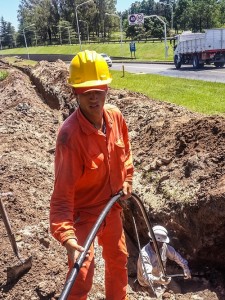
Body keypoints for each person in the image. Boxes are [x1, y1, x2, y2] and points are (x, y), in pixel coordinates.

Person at [50, 50, 134, 300]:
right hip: (83, 214)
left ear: (107, 86)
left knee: (119, 261)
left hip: (112, 207)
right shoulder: (69, 137)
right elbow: (62, 196)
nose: (93, 97)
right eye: (86, 91)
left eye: (98, 89)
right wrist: (66, 235)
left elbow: (126, 152)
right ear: (75, 92)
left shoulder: (115, 117)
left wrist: (127, 179)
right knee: (81, 275)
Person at [137, 225, 191, 297]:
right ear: (155, 241)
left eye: (163, 242)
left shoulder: (164, 246)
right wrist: (159, 280)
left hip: (162, 277)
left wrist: (186, 268)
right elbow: (146, 277)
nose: (163, 244)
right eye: (161, 242)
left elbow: (176, 257)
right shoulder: (145, 254)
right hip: (149, 283)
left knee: (177, 291)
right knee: (159, 297)